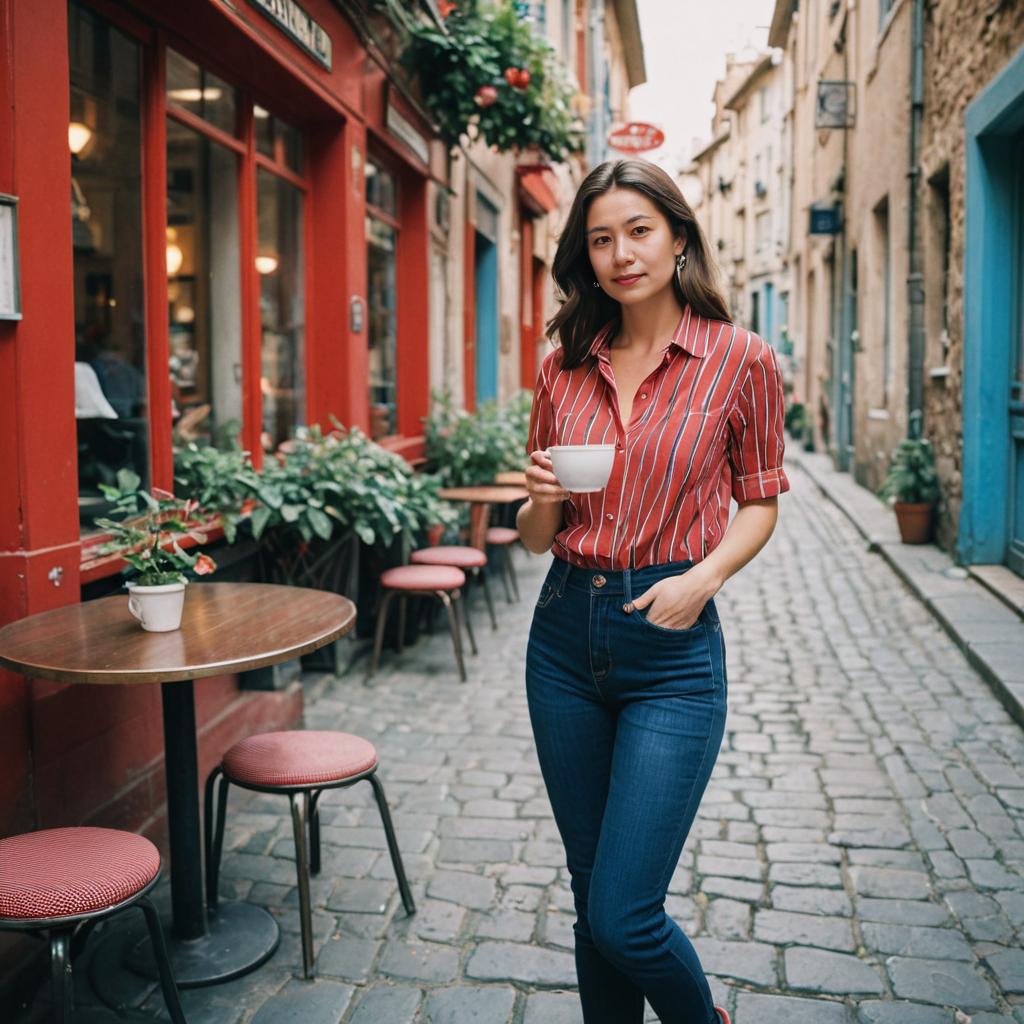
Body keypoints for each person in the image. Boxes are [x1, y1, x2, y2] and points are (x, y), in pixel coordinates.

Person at [516, 159, 790, 1024]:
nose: (621, 253)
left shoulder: (740, 359)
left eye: (638, 230)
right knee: (591, 890)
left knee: (625, 916)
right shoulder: (563, 368)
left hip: (672, 648)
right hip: (563, 636)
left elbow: (761, 499)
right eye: (601, 238)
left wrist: (701, 579)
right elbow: (535, 538)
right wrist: (543, 500)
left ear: (678, 236)